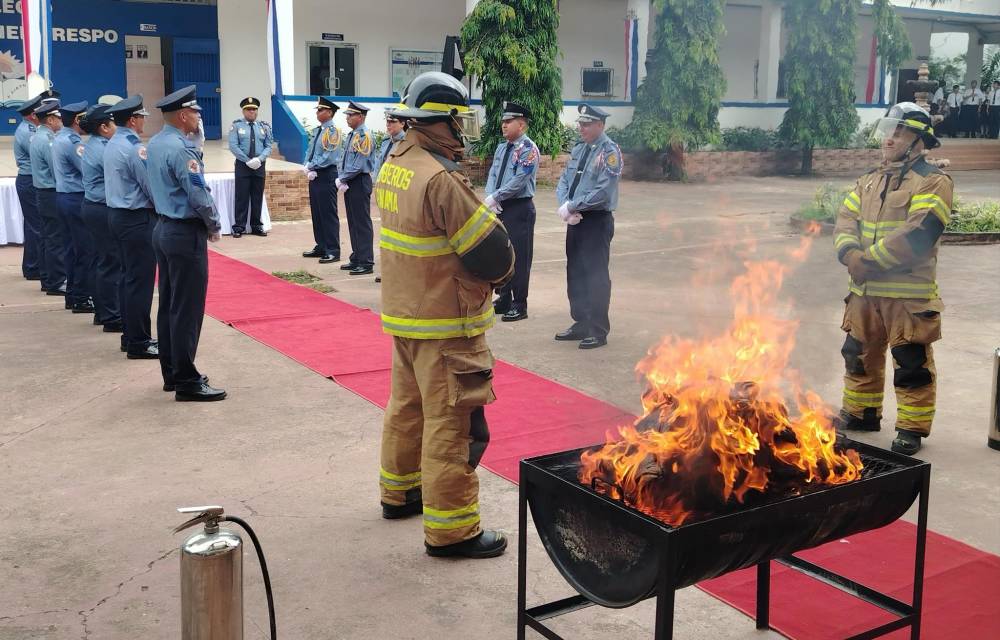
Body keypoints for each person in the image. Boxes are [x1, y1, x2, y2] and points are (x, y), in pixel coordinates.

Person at [376, 72, 514, 559]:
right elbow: (493, 254)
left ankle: (400, 492)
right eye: (458, 122)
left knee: (406, 408)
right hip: (446, 321)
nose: (462, 132)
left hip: (406, 315)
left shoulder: (396, 160)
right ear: (441, 122)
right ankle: (453, 530)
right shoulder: (442, 180)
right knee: (452, 423)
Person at [833, 102, 951, 456]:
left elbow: (919, 232)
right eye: (889, 130)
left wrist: (868, 261)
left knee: (911, 363)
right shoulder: (869, 180)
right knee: (858, 355)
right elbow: (844, 220)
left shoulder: (933, 180)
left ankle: (910, 429)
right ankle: (860, 413)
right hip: (863, 292)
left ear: (918, 140)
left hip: (907, 297)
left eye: (900, 132)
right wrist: (851, 256)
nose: (890, 138)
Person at [148, 85, 227, 402]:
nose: (199, 118)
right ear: (183, 115)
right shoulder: (182, 149)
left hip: (163, 227)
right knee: (187, 309)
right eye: (195, 112)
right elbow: (197, 194)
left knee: (169, 304)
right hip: (183, 232)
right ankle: (186, 380)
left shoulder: (155, 142)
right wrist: (214, 223)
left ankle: (172, 372)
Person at [554, 104, 623, 350]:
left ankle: (598, 329)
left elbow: (603, 192)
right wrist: (565, 205)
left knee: (595, 276)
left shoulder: (610, 151)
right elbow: (565, 179)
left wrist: (573, 206)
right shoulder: (579, 149)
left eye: (586, 124)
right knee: (575, 273)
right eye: (580, 123)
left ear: (600, 125)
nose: (580, 127)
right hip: (575, 220)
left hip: (595, 221)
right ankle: (581, 322)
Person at [105, 95, 158, 359]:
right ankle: (139, 341)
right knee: (140, 283)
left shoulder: (114, 142)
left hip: (118, 215)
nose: (143, 121)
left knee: (128, 279)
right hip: (136, 218)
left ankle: (131, 335)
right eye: (141, 117)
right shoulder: (133, 147)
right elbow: (149, 184)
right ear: (132, 119)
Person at [484, 101, 539, 323]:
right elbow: (493, 174)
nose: (504, 125)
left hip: (519, 208)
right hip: (501, 206)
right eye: (503, 121)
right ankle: (504, 297)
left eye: (509, 122)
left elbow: (519, 181)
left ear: (522, 125)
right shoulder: (501, 148)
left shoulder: (528, 150)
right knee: (502, 253)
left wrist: (496, 196)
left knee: (520, 257)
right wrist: (491, 197)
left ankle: (520, 303)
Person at [80, 104, 123, 333]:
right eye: (114, 123)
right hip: (101, 207)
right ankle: (111, 316)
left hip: (95, 207)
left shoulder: (99, 145)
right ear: (104, 127)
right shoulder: (104, 149)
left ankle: (103, 311)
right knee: (110, 262)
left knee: (104, 261)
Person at [53, 101, 95, 314]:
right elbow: (87, 169)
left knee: (71, 249)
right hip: (76, 198)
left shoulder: (60, 137)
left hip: (64, 197)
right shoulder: (73, 142)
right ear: (78, 120)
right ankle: (80, 296)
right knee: (84, 251)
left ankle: (73, 294)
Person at [13, 90, 54, 283]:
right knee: (37, 227)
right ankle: (35, 267)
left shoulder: (29, 130)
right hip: (29, 180)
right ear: (32, 115)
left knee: (33, 226)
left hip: (29, 179)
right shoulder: (29, 133)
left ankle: (32, 266)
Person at [30, 98, 69, 298]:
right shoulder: (48, 140)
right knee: (55, 239)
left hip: (42, 192)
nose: (61, 121)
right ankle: (56, 281)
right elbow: (56, 171)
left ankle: (48, 278)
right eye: (58, 118)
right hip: (50, 192)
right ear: (51, 120)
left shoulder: (38, 136)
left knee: (47, 237)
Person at [301, 97, 343, 264]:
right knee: (317, 213)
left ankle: (333, 249)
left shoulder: (333, 132)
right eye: (317, 110)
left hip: (326, 174)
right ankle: (321, 245)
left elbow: (329, 156)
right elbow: (310, 151)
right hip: (315, 175)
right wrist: (307, 165)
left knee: (328, 213)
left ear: (330, 113)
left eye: (321, 110)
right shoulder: (317, 131)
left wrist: (311, 165)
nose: (317, 113)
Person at [337, 101, 376, 275]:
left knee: (362, 223)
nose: (347, 118)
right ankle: (357, 257)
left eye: (350, 115)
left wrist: (342, 178)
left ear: (360, 116)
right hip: (351, 181)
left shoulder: (364, 136)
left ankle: (366, 261)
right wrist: (342, 177)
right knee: (353, 222)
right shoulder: (353, 135)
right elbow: (345, 160)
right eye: (347, 115)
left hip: (359, 181)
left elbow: (359, 164)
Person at [228, 96, 272, 238]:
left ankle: (256, 226)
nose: (252, 112)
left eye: (254, 109)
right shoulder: (236, 126)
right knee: (242, 196)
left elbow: (269, 145)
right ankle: (239, 226)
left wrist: (260, 159)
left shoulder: (263, 126)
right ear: (243, 111)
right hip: (243, 165)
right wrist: (247, 160)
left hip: (259, 165)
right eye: (248, 109)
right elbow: (233, 146)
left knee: (257, 196)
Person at [373, 109, 406, 182]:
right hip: (381, 184)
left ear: (402, 124)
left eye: (392, 121)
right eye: (387, 121)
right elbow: (379, 165)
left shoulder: (406, 142)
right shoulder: (386, 141)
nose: (388, 124)